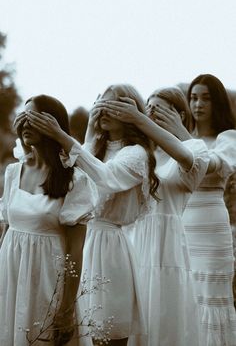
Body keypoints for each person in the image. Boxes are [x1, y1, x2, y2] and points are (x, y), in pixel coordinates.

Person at [27, 84, 209, 346]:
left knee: (107, 332)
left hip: (111, 248)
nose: (104, 109)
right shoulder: (95, 149)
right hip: (81, 244)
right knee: (76, 331)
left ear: (131, 110)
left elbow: (107, 178)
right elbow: (76, 183)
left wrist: (63, 136)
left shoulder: (135, 154)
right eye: (100, 102)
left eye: (113, 104)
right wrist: (89, 133)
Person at [94, 87, 212, 346]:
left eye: (157, 110)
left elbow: (186, 158)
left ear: (179, 114)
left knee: (164, 312)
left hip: (166, 244)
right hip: (130, 238)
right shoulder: (137, 151)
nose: (147, 114)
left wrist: (139, 119)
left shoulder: (193, 148)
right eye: (146, 108)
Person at [0, 94, 98, 346]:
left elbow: (76, 250)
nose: (25, 125)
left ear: (53, 125)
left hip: (46, 277)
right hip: (10, 274)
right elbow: (6, 231)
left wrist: (66, 308)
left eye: (34, 119)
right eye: (22, 118)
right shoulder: (13, 173)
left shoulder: (74, 179)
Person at [149, 75, 236, 345]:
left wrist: (179, 132)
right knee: (182, 296)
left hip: (211, 228)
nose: (198, 104)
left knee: (209, 296)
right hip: (180, 225)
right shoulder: (172, 143)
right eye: (194, 98)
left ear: (218, 103)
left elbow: (207, 164)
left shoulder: (228, 138)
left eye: (206, 98)